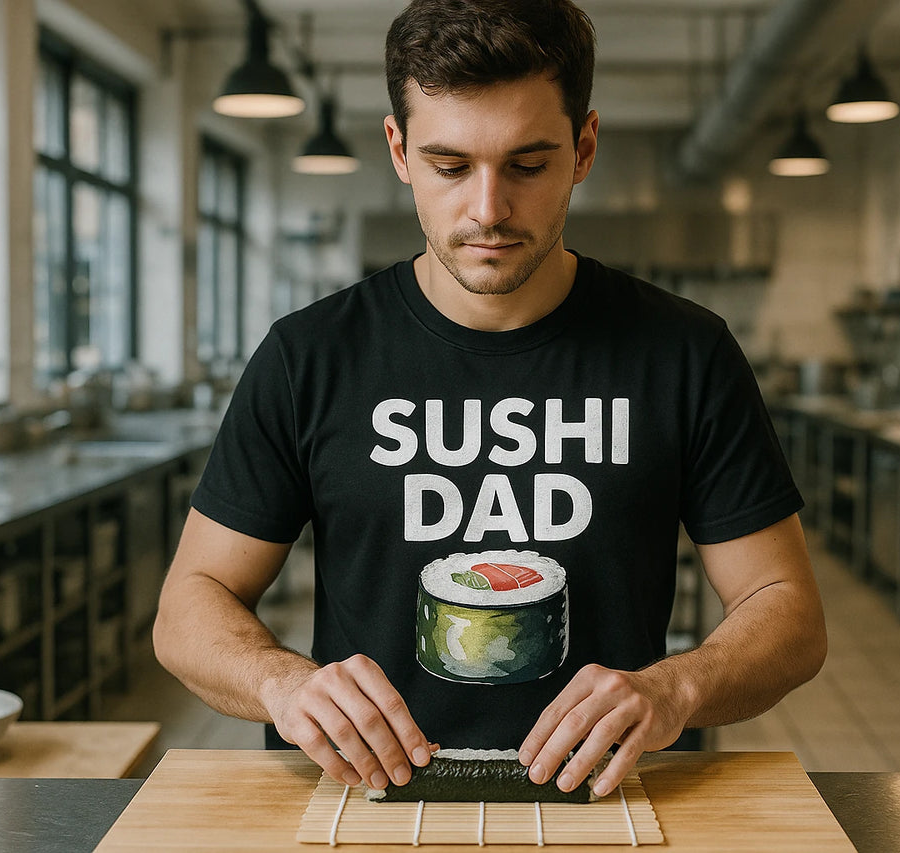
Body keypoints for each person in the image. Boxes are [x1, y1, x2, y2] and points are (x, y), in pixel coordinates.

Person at [153, 0, 826, 801]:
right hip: (369, 802)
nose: (488, 209)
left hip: (604, 801)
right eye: (449, 166)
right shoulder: (310, 356)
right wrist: (282, 683)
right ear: (399, 151)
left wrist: (676, 687)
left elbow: (788, 611)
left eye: (528, 165)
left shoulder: (685, 352)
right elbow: (190, 605)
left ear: (584, 148)